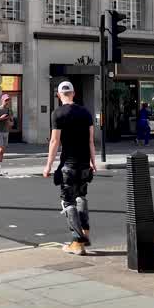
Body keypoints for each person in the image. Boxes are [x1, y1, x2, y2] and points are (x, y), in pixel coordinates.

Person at [44, 81, 97, 255]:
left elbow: (55, 141)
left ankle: (77, 242)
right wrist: (93, 162)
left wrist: (48, 165)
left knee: (68, 202)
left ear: (59, 95)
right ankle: (86, 235)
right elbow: (90, 141)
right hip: (84, 164)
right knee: (81, 197)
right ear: (73, 93)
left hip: (69, 164)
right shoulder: (86, 113)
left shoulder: (57, 113)